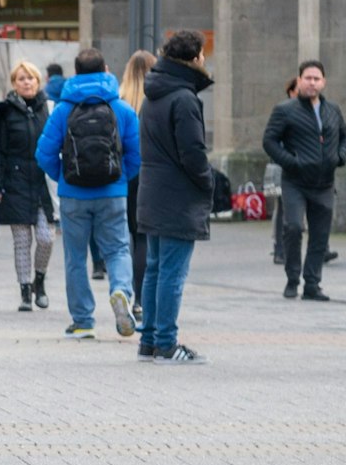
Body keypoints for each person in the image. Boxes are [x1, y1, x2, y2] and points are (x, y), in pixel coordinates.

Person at [36, 47, 142, 340]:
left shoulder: (62, 109)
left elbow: (43, 153)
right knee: (118, 249)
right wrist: (121, 178)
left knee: (75, 257)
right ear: (106, 69)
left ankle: (83, 321)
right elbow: (136, 153)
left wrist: (62, 177)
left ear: (76, 73)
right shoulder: (121, 109)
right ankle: (121, 290)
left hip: (73, 194)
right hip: (112, 192)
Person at [135, 31, 216, 365]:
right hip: (178, 194)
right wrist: (208, 182)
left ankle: (150, 342)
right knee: (172, 273)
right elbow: (193, 152)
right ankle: (167, 344)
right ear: (195, 57)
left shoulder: (154, 92)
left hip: (153, 189)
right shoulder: (183, 98)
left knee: (155, 269)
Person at [265, 59, 346, 301]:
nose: (312, 82)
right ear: (299, 80)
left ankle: (312, 284)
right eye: (308, 78)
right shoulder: (285, 110)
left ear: (323, 82)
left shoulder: (332, 110)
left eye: (317, 78)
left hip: (324, 183)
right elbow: (269, 141)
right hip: (295, 181)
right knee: (293, 227)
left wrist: (341, 157)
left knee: (320, 234)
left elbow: (345, 136)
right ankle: (293, 278)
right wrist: (291, 161)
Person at [0, 60, 56, 313]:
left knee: (46, 238)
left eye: (30, 78)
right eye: (21, 79)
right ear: (14, 84)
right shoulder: (5, 111)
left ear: (38, 81)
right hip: (15, 182)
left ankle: (39, 281)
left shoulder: (49, 108)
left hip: (43, 183)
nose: (27, 82)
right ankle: (24, 292)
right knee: (21, 241)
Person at [111, 49, 156, 299]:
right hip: (149, 176)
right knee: (143, 238)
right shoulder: (156, 101)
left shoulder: (118, 100)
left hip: (122, 176)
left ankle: (123, 289)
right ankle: (141, 297)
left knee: (123, 238)